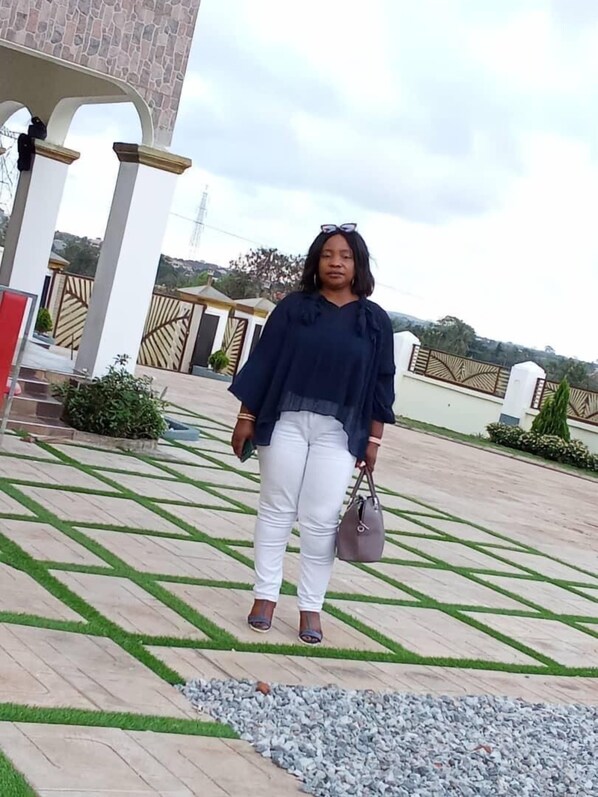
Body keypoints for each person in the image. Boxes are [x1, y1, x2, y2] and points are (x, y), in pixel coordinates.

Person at [229, 223, 396, 645]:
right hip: (285, 420)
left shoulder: (374, 321)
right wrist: (246, 416)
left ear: (358, 264)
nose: (335, 263)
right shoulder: (294, 308)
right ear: (316, 262)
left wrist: (373, 441)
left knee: (321, 520)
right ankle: (265, 597)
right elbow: (264, 362)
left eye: (345, 256)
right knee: (276, 509)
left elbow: (382, 384)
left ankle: (310, 607)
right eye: (327, 255)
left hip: (339, 433)